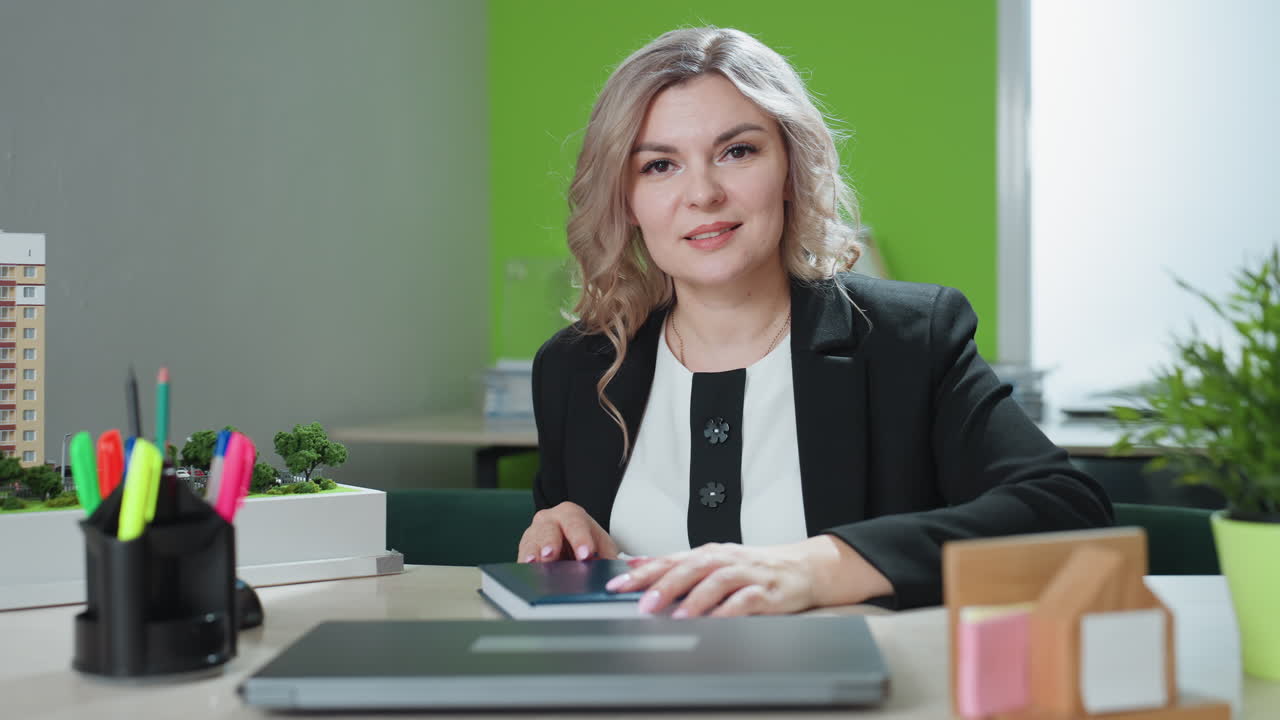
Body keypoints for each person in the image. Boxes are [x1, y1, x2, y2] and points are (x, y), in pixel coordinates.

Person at [516, 27, 1112, 615]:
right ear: (626, 201)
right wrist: (562, 535)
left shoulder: (911, 340)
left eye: (738, 151)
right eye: (659, 166)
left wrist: (821, 567)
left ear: (791, 168)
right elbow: (577, 582)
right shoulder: (575, 367)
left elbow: (1068, 514)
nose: (702, 194)